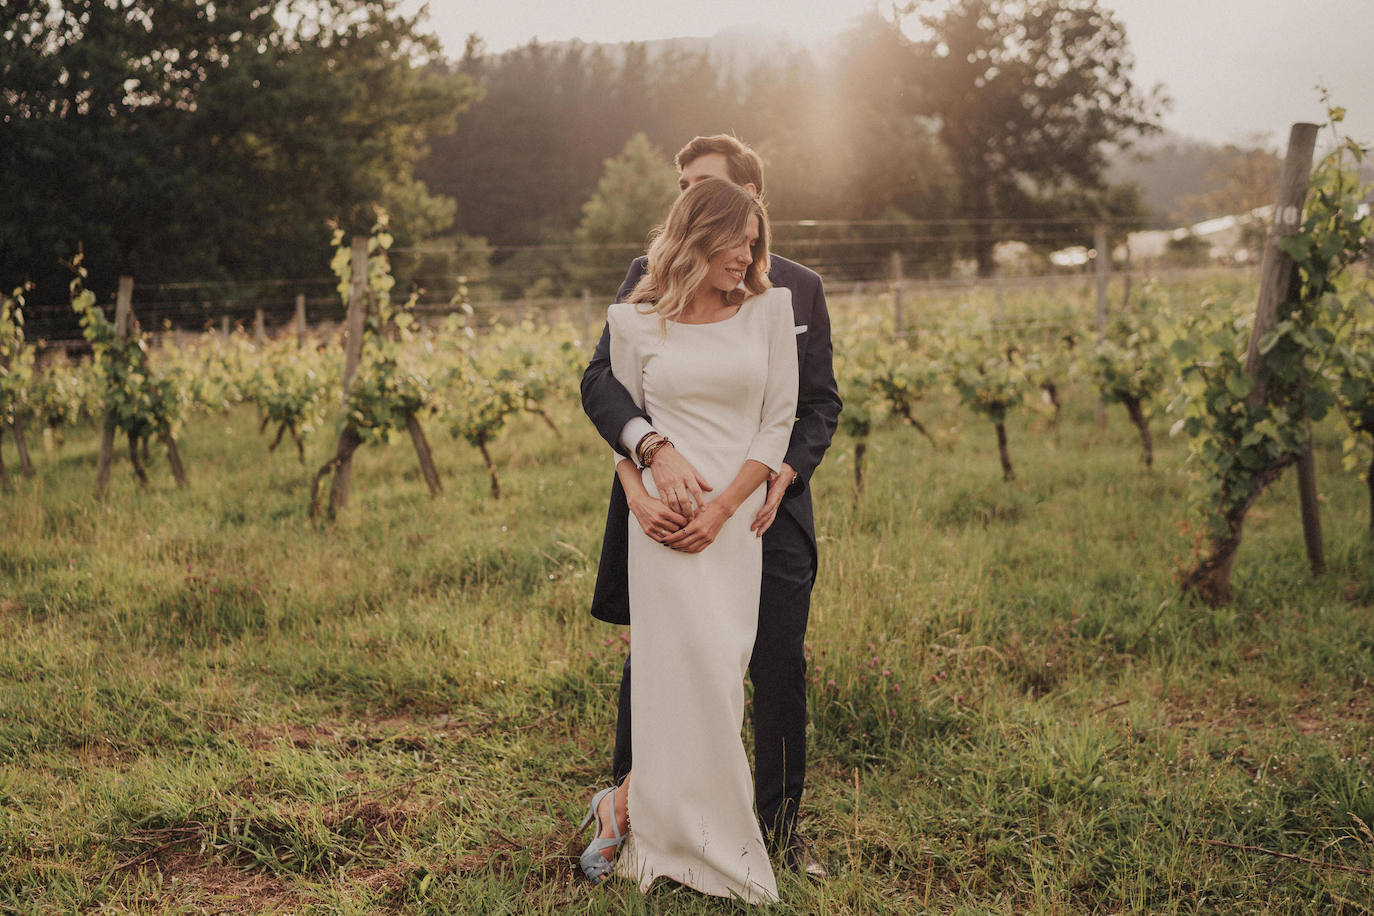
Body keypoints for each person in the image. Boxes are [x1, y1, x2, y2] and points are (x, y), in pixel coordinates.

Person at [579, 135, 841, 881]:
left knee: (776, 667)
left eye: (704, 187)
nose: (685, 199)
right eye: (683, 186)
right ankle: (636, 811)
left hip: (768, 508)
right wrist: (645, 465)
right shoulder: (646, 279)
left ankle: (779, 832)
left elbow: (815, 405)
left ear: (747, 200)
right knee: (663, 665)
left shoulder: (795, 290)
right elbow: (605, 387)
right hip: (668, 508)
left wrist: (780, 476)